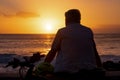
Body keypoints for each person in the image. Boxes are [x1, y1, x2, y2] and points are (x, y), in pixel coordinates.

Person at [44, 9, 103, 80]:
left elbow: (53, 51)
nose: (65, 21)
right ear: (79, 19)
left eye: (66, 18)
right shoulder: (88, 31)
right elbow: (95, 52)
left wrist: (44, 65)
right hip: (89, 70)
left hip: (65, 71)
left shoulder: (62, 31)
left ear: (68, 19)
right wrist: (100, 67)